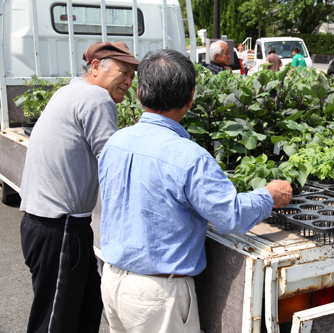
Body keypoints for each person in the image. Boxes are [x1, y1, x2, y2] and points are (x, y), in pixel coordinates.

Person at [98, 49, 292, 333]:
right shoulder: (190, 158)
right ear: (190, 98)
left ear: (139, 93)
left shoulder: (115, 142)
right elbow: (230, 216)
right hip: (158, 294)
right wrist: (270, 195)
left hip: (113, 281)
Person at [19, 41, 139, 333]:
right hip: (60, 228)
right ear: (96, 67)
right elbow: (113, 163)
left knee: (86, 307)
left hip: (50, 225)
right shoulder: (96, 98)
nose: (128, 82)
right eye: (123, 72)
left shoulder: (69, 91)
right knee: (55, 323)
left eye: (132, 77)